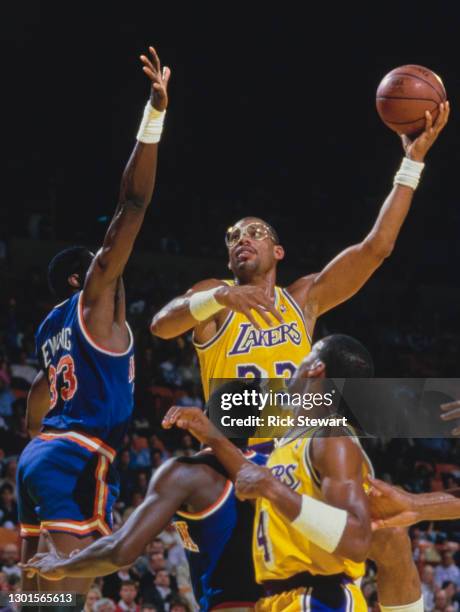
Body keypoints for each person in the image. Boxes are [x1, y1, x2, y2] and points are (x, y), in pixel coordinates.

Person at [150, 106, 449, 403]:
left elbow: (377, 247)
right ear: (229, 260)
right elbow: (161, 326)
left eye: (255, 233)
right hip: (234, 447)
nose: (242, 239)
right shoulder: (215, 295)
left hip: (291, 447)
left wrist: (412, 163)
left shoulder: (302, 299)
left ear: (278, 251)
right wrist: (218, 298)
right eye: (234, 237)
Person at [16, 45, 170, 606]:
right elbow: (133, 201)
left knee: (39, 590)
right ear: (86, 276)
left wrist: (38, 448)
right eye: (106, 266)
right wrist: (154, 115)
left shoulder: (48, 329)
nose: (118, 271)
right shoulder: (94, 299)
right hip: (75, 452)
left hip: (42, 456)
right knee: (71, 595)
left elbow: (37, 396)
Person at [162, 334, 424, 611]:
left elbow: (360, 540)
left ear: (316, 369)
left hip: (321, 598)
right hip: (282, 598)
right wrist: (214, 437)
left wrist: (272, 489)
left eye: (305, 357)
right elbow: (263, 487)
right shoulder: (296, 441)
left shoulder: (332, 438)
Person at [20, 382, 269, 612]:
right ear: (255, 426)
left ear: (205, 415)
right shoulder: (273, 467)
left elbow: (122, 551)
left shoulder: (187, 473)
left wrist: (62, 566)